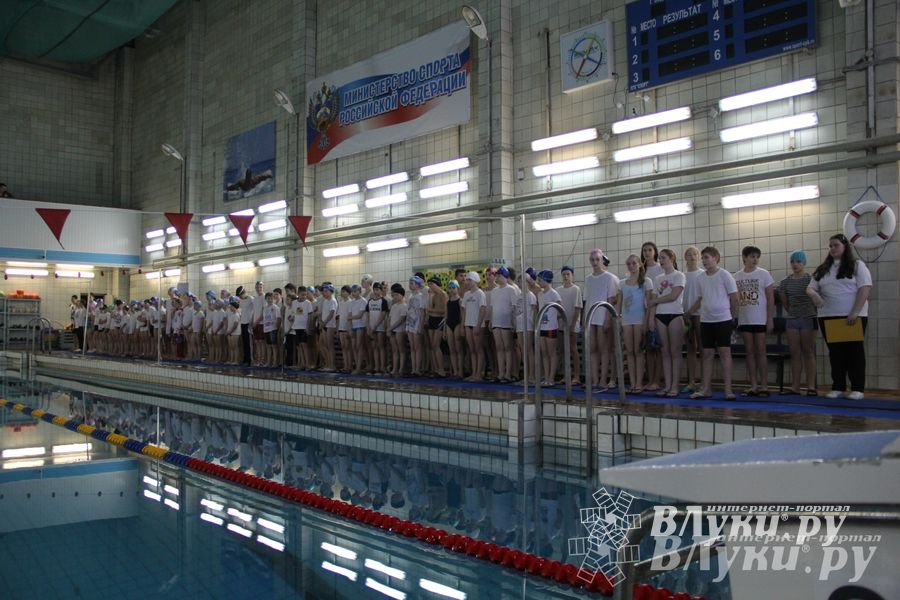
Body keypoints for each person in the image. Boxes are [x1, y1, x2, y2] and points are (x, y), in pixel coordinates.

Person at [806, 233, 873, 400]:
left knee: (854, 352)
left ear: (844, 246)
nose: (832, 248)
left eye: (835, 245)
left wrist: (855, 311)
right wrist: (814, 295)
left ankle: (857, 388)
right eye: (830, 246)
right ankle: (838, 386)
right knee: (835, 353)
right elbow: (810, 287)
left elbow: (865, 288)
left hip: (851, 316)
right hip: (829, 316)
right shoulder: (823, 269)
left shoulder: (857, 265)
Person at [687, 246, 739, 400]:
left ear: (716, 258)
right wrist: (689, 312)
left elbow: (735, 298)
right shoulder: (700, 278)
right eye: (703, 258)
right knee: (707, 354)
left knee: (724, 353)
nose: (704, 261)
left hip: (723, 319)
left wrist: (733, 319)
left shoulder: (725, 275)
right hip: (706, 320)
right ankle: (706, 389)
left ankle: (728, 390)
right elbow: (700, 299)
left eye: (707, 257)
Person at [734, 246, 775, 396]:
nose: (755, 259)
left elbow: (770, 297)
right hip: (745, 319)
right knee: (749, 352)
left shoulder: (763, 274)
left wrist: (769, 319)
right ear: (744, 257)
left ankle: (764, 385)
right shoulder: (737, 276)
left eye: (757, 257)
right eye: (752, 256)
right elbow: (735, 299)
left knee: (761, 351)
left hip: (760, 318)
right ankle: (753, 385)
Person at [778, 250, 818, 395]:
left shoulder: (811, 280)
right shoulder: (785, 282)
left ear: (804, 263)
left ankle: (811, 386)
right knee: (795, 353)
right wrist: (794, 313)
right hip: (793, 320)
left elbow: (816, 300)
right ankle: (795, 386)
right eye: (793, 261)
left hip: (808, 318)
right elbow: (785, 303)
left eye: (798, 261)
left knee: (808, 352)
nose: (795, 264)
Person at [648, 249, 686, 397]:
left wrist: (655, 300)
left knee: (675, 352)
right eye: (660, 258)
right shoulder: (657, 278)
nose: (661, 261)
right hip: (660, 316)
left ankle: (675, 386)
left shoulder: (679, 275)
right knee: (664, 352)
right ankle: (667, 385)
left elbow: (674, 296)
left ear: (672, 258)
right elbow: (653, 303)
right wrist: (651, 318)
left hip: (675, 314)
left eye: (663, 258)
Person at [584, 249, 620, 390]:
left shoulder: (609, 278)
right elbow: (586, 300)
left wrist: (607, 319)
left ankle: (604, 379)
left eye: (597, 260)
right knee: (592, 348)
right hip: (591, 316)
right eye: (592, 260)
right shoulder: (588, 279)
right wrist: (584, 320)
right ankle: (595, 379)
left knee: (604, 349)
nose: (595, 263)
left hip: (603, 315)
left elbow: (611, 300)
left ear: (602, 260)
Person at [619, 255, 652, 393]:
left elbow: (649, 304)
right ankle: (632, 383)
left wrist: (647, 321)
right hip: (626, 320)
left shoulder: (646, 282)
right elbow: (619, 303)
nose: (631, 266)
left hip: (639, 319)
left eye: (633, 263)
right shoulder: (622, 283)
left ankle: (639, 383)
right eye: (629, 263)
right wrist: (618, 318)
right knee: (630, 352)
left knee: (638, 351)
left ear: (639, 264)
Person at [490, 267, 517, 383]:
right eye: (497, 276)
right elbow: (492, 307)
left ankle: (508, 374)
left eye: (500, 276)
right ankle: (500, 373)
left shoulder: (511, 290)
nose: (498, 278)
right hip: (496, 321)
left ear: (506, 277)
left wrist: (514, 322)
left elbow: (515, 307)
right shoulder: (494, 291)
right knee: (499, 348)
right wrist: (491, 321)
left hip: (506, 322)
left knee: (507, 348)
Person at [557, 265, 583, 386]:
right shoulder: (558, 290)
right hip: (561, 324)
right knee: (562, 350)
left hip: (573, 325)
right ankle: (565, 374)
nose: (566, 277)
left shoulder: (576, 289)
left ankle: (576, 376)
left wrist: (573, 324)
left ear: (572, 275)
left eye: (568, 274)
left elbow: (578, 308)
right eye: (564, 274)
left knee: (573, 349)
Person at [682, 246, 703, 393]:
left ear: (699, 257)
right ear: (685, 258)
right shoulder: (682, 276)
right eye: (689, 254)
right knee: (690, 348)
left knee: (703, 348)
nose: (692, 256)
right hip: (685, 316)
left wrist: (691, 311)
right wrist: (685, 314)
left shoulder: (702, 274)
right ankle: (691, 381)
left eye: (694, 254)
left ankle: (704, 381)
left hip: (700, 314)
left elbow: (703, 297)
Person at [536, 270, 562, 386]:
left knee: (551, 353)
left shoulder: (554, 293)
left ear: (547, 280)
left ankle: (551, 378)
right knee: (544, 353)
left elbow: (561, 309)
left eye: (540, 280)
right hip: (542, 326)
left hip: (551, 327)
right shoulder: (540, 294)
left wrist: (554, 318)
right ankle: (546, 377)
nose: (538, 282)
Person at [462, 272, 487, 382]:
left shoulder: (480, 293)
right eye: (467, 280)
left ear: (475, 281)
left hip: (477, 325)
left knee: (478, 349)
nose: (467, 282)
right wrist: (463, 325)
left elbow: (483, 309)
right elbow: (464, 311)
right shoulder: (466, 294)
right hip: (468, 324)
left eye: (469, 280)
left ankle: (479, 374)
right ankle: (474, 373)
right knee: (472, 350)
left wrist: (478, 325)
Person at [515, 271, 538, 384]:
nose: (519, 283)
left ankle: (532, 376)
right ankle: (526, 376)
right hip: (519, 326)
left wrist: (534, 327)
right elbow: (516, 311)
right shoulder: (518, 296)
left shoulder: (531, 296)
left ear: (527, 282)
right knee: (523, 350)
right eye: (518, 281)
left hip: (528, 326)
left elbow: (534, 312)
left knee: (528, 350)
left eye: (521, 281)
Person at [426, 277, 448, 376]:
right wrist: (430, 297)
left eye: (431, 284)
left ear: (437, 284)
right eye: (429, 284)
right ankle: (435, 369)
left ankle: (441, 370)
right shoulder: (432, 295)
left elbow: (444, 311)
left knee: (436, 345)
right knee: (432, 345)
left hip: (440, 321)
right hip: (432, 320)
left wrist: (431, 311)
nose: (430, 286)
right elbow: (429, 308)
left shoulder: (444, 294)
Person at [366, 282, 390, 375]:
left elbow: (383, 315)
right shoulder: (370, 301)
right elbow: (367, 315)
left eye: (378, 289)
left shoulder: (383, 301)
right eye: (375, 289)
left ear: (381, 290)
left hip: (380, 327)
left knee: (381, 347)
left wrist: (375, 326)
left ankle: (382, 367)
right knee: (374, 347)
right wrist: (368, 327)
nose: (376, 291)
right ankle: (376, 367)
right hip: (372, 327)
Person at [445, 280, 465, 379]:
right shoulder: (448, 302)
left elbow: (462, 315)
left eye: (454, 288)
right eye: (450, 288)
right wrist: (444, 329)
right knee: (452, 350)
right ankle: (455, 371)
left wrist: (462, 326)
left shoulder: (460, 300)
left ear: (457, 289)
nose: (452, 290)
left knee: (458, 349)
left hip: (457, 324)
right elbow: (446, 316)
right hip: (449, 324)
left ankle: (460, 371)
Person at [406, 276, 426, 376]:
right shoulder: (409, 296)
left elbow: (422, 312)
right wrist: (407, 324)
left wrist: (420, 326)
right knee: (412, 347)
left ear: (418, 285)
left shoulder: (421, 296)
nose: (410, 285)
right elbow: (408, 311)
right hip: (410, 323)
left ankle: (418, 369)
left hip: (417, 322)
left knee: (417, 347)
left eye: (412, 283)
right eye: (410, 283)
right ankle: (413, 369)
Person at [388, 284, 408, 377]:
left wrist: (391, 328)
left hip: (399, 330)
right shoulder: (394, 306)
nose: (395, 297)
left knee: (401, 350)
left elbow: (401, 319)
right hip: (392, 330)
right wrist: (389, 328)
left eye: (397, 295)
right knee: (395, 351)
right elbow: (390, 318)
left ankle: (401, 369)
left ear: (402, 295)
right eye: (394, 295)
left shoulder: (404, 306)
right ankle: (394, 369)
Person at [320, 284, 338, 371]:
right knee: (325, 345)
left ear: (331, 291)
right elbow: (323, 313)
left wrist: (324, 323)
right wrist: (321, 322)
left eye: (326, 291)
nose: (324, 293)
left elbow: (332, 314)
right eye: (323, 291)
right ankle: (327, 364)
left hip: (330, 325)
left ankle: (332, 366)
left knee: (330, 346)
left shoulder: (333, 301)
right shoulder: (325, 301)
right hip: (324, 325)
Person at [236, 286, 253, 365]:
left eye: (240, 296)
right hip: (243, 323)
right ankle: (245, 358)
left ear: (244, 293)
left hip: (248, 323)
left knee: (249, 343)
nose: (240, 297)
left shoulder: (251, 299)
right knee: (244, 342)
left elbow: (254, 310)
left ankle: (250, 359)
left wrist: (252, 322)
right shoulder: (241, 301)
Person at [251, 281, 266, 366]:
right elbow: (254, 311)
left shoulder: (264, 297)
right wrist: (252, 321)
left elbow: (263, 312)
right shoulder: (255, 298)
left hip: (261, 323)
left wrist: (256, 322)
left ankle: (262, 360)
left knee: (261, 342)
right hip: (255, 323)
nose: (258, 289)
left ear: (263, 287)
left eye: (260, 287)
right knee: (257, 342)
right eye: (257, 287)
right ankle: (258, 359)